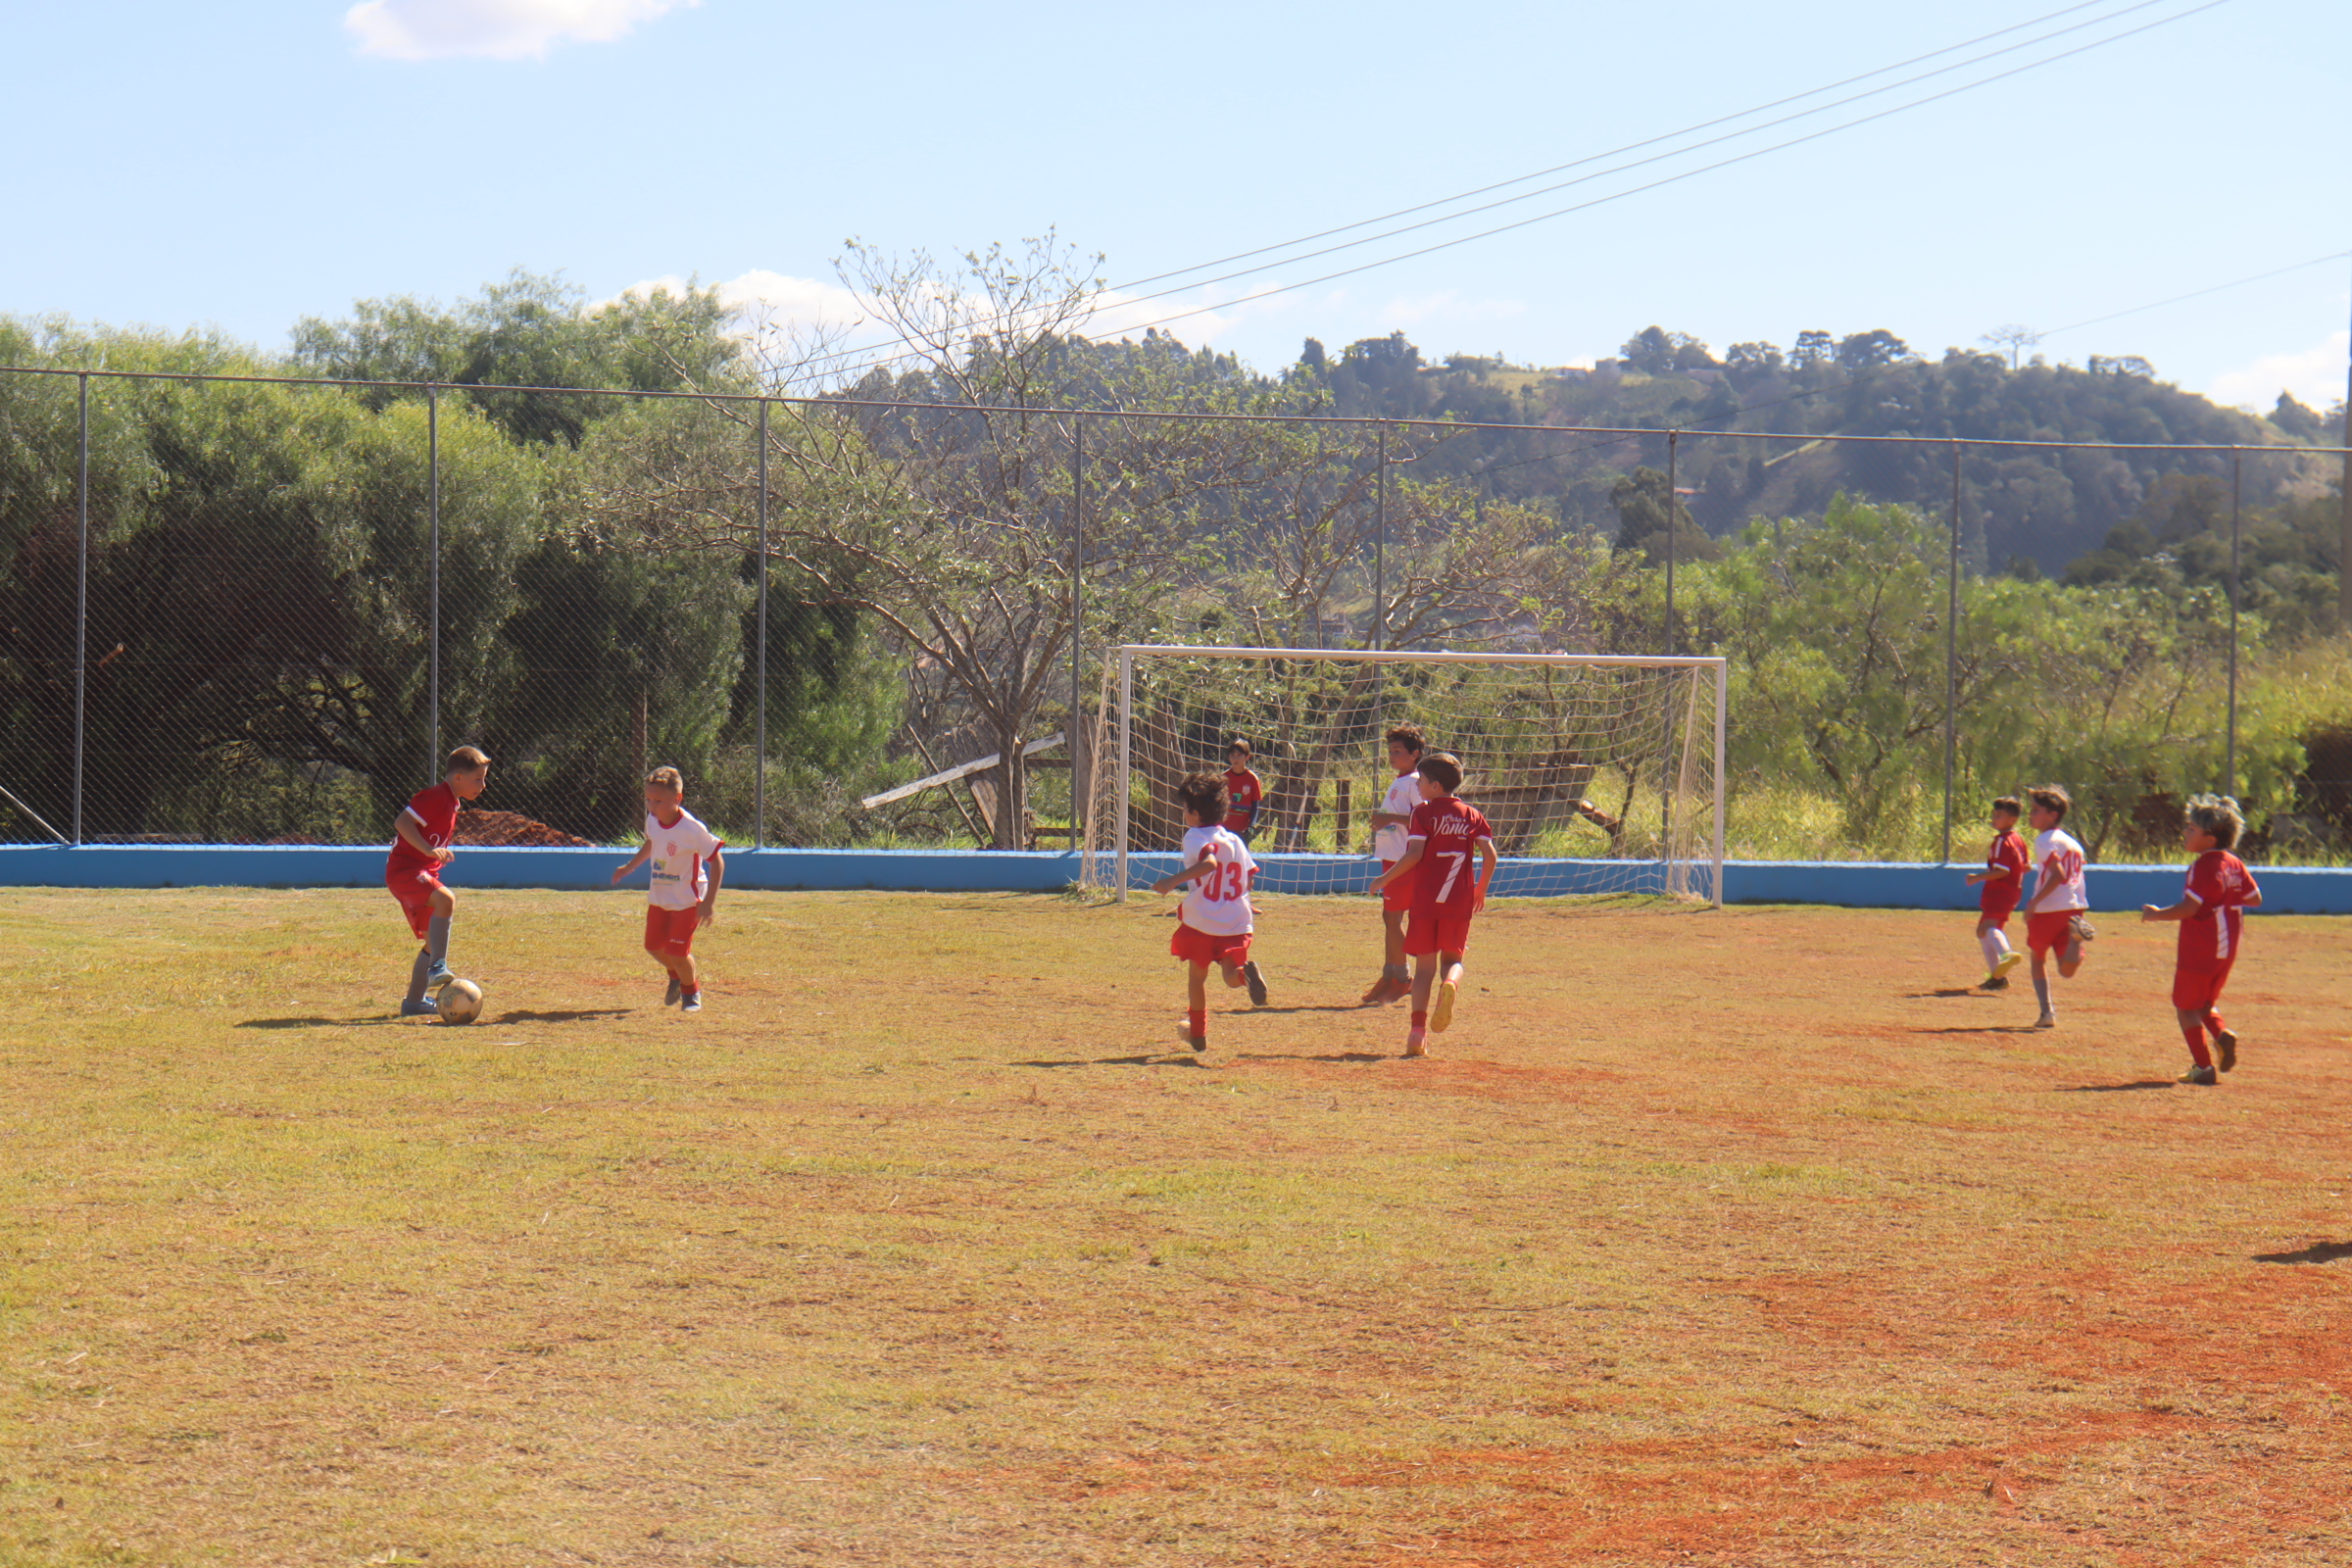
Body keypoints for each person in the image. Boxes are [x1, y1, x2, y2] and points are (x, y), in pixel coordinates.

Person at [1371, 752, 1496, 1058]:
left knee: (1425, 970)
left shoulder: (1424, 814)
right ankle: (1451, 984)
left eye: (1422, 781)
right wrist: (1480, 889)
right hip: (1459, 900)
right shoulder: (1472, 815)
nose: (1418, 786)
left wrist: (1384, 878)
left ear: (1436, 785)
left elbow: (1414, 854)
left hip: (1426, 901)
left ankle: (1417, 1033)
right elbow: (1490, 855)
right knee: (1453, 960)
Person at [2139, 794, 2263, 1086]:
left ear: (2210, 839)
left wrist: (2156, 915)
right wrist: (2226, 897)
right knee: (2204, 1002)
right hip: (2227, 949)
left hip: (2201, 947)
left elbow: (2189, 908)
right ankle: (2221, 1034)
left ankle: (2204, 1067)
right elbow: (2255, 898)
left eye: (2191, 828)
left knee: (2185, 1007)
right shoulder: (2234, 863)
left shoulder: (2205, 865)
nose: (2185, 832)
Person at [1151, 771, 1268, 1052]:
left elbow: (1210, 863)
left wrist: (1171, 882)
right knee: (1231, 975)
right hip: (1236, 919)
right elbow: (1249, 878)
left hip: (1204, 919)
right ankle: (1246, 977)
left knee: (1197, 977)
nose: (1183, 813)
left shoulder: (1195, 836)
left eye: (1185, 808)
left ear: (1194, 813)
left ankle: (1198, 1033)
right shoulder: (1235, 839)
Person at [386, 745, 491, 1017]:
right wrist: (428, 850)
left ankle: (413, 1002)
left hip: (422, 871)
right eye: (478, 779)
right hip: (405, 871)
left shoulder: (451, 802)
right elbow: (402, 822)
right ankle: (437, 967)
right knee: (446, 899)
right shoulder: (436, 797)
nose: (483, 785)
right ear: (458, 778)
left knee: (433, 942)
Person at [612, 766, 725, 1013]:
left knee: (677, 952)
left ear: (677, 799)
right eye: (648, 800)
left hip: (687, 899)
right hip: (660, 896)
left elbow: (717, 861)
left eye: (658, 801)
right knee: (653, 947)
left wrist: (708, 902)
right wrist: (629, 867)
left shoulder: (692, 829)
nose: (651, 807)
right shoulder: (653, 820)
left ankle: (691, 993)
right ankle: (676, 975)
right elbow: (652, 842)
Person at [1359, 723, 1427, 1005]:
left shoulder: (1415, 781)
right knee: (1389, 917)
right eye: (1390, 751)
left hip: (1403, 859)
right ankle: (1390, 975)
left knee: (1394, 917)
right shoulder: (1402, 779)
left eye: (1398, 751)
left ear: (1415, 754)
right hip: (1391, 858)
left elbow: (1423, 819)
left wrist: (1389, 819)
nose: (1392, 756)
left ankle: (1402, 976)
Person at [2020, 784, 2093, 1027]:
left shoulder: (2044, 840)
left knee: (2037, 958)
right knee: (2066, 969)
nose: (2030, 814)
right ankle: (2075, 939)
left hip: (2049, 908)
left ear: (2052, 815)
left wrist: (2034, 903)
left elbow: (2058, 874)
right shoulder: (2072, 842)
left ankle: (2047, 1012)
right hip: (2075, 907)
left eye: (2036, 810)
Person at [1962, 796, 2031, 990]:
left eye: (1999, 816)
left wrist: (1977, 878)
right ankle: (1997, 978)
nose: (1994, 819)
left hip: (2000, 892)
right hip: (2012, 892)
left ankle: (2006, 953)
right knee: (1983, 931)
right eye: (1994, 815)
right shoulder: (2018, 839)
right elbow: (2027, 867)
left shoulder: (2002, 841)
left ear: (2012, 819)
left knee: (1989, 928)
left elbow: (2002, 871)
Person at [1222, 738, 1265, 845]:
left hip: (1242, 830)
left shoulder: (1252, 779)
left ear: (1247, 757)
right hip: (1223, 829)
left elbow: (1255, 805)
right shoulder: (1223, 778)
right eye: (1233, 755)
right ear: (1229, 757)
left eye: (1239, 755)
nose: (1235, 758)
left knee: (1241, 854)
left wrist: (1251, 826)